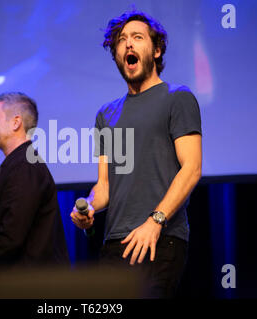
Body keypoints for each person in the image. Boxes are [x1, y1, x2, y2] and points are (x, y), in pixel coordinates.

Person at [70, 10, 202, 298]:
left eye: (137, 37)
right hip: (115, 243)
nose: (128, 44)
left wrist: (155, 221)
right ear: (116, 54)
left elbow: (191, 168)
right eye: (121, 40)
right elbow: (104, 186)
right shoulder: (106, 114)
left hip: (160, 238)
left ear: (155, 51)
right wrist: (91, 206)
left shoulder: (177, 98)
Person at [0, 92, 69, 279]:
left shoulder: (25, 167)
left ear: (16, 122)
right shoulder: (22, 165)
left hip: (32, 287)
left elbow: (12, 237)